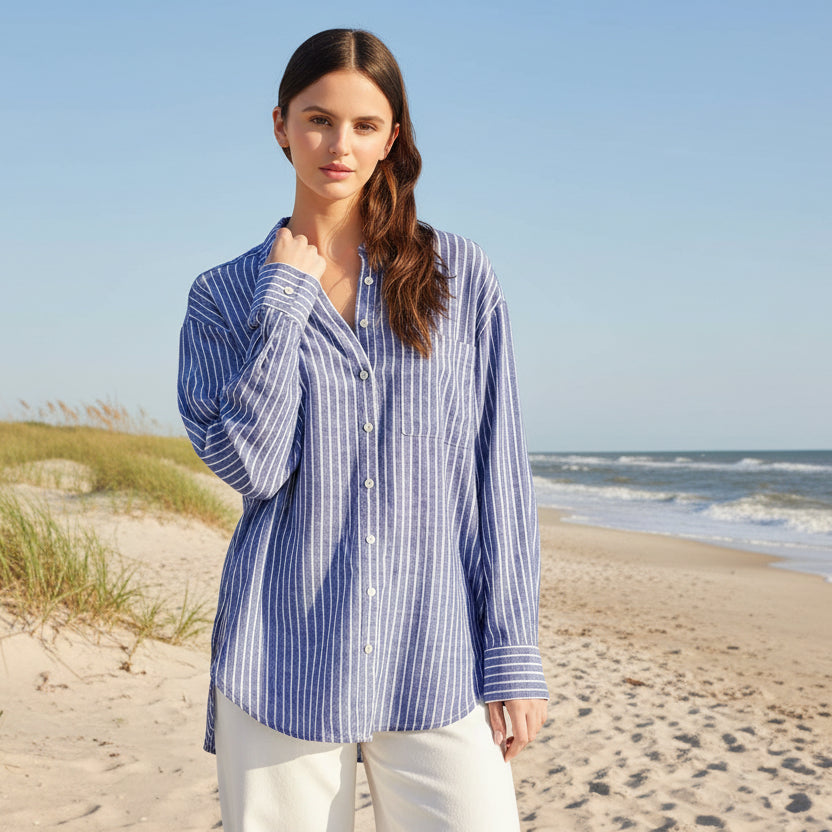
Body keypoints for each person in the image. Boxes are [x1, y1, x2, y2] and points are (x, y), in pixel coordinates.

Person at [177, 28, 548, 832]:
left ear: (393, 139)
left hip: (435, 656)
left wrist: (513, 654)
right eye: (317, 119)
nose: (337, 145)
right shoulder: (222, 297)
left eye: (364, 125)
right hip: (283, 658)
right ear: (279, 126)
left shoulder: (459, 276)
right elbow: (253, 466)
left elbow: (498, 477)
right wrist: (285, 301)